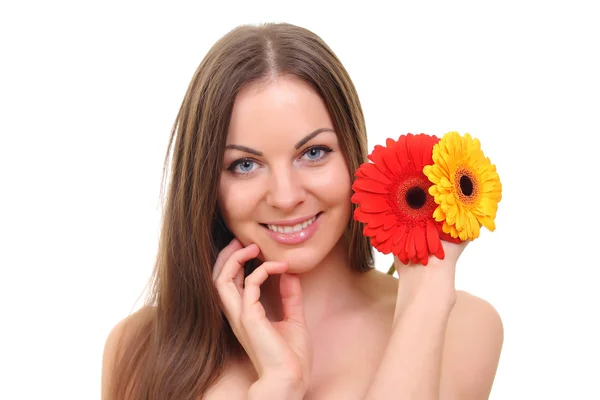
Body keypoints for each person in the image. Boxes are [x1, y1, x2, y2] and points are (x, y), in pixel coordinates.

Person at [101, 22, 504, 399]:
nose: (285, 195)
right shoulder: (140, 348)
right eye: (245, 164)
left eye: (313, 153)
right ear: (206, 184)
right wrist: (279, 385)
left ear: (351, 154)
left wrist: (428, 292)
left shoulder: (462, 326)